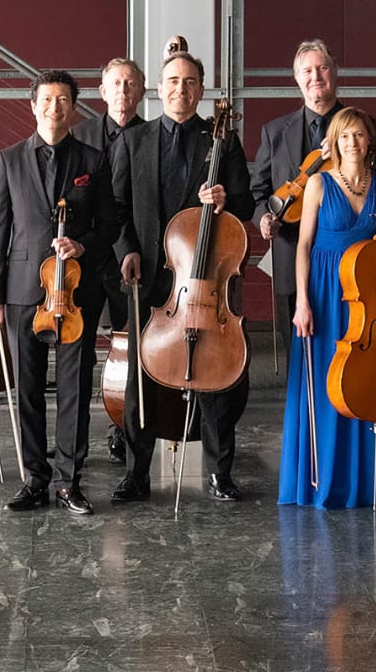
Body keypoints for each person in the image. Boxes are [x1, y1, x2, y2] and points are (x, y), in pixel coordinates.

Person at [110, 50, 253, 503]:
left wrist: (226, 198)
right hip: (151, 279)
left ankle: (218, 473)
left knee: (214, 377)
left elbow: (248, 205)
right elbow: (114, 209)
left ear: (202, 88)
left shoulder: (222, 141)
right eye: (173, 80)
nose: (181, 89)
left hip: (206, 280)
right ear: (160, 85)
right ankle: (136, 475)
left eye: (190, 82)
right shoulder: (134, 141)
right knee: (141, 379)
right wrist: (126, 250)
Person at [0, 71, 117, 515]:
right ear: (33, 105)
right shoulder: (9, 158)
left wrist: (82, 244)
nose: (54, 107)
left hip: (75, 290)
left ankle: (68, 480)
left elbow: (109, 227)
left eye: (63, 100)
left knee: (76, 387)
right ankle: (34, 479)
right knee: (27, 387)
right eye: (47, 99)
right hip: (23, 288)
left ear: (73, 107)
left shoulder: (93, 160)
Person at [277, 108, 376, 509]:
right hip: (321, 291)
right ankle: (319, 480)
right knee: (320, 382)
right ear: (333, 142)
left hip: (363, 296)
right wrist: (302, 300)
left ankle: (367, 479)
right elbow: (302, 246)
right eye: (345, 136)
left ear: (370, 142)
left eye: (359, 135)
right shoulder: (317, 183)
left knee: (362, 380)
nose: (352, 142)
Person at [251, 39, 348, 362]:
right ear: (297, 79)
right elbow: (257, 192)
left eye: (322, 68)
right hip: (290, 252)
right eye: (307, 70)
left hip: (345, 255)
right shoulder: (274, 132)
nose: (315, 76)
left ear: (335, 73)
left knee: (343, 347)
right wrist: (263, 217)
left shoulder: (358, 129)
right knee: (298, 354)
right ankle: (302, 413)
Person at [71, 57, 147, 465]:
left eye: (131, 84)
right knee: (77, 354)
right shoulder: (78, 135)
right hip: (85, 263)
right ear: (102, 91)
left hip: (131, 263)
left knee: (134, 355)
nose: (123, 91)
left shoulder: (150, 137)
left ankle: (125, 432)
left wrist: (127, 249)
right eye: (116, 83)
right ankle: (74, 439)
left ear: (141, 91)